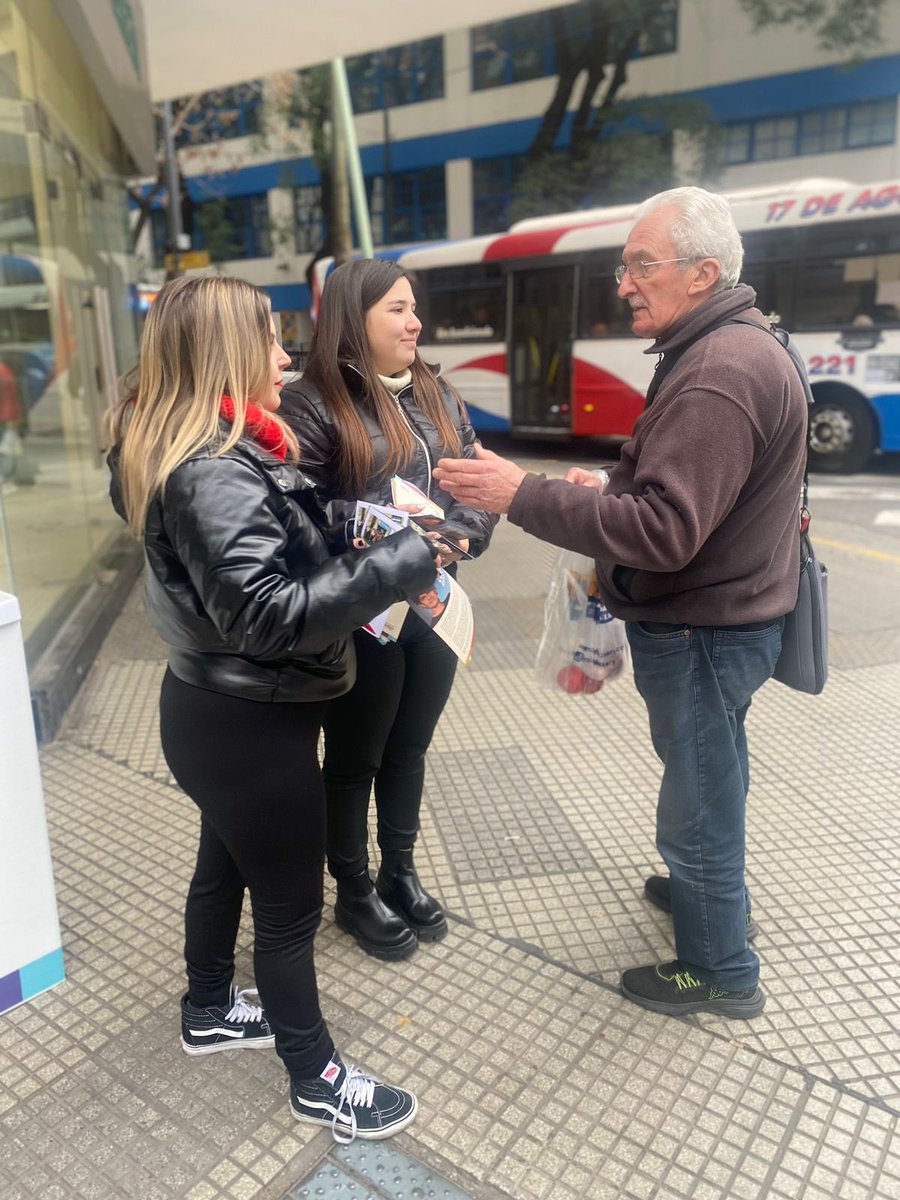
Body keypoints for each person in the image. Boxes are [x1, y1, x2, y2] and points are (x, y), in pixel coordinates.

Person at [433, 186, 808, 1020]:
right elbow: (691, 494)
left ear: (702, 273)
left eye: (643, 264)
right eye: (624, 266)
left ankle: (720, 969)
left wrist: (521, 494)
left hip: (705, 628)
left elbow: (667, 532)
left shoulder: (717, 370)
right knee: (714, 774)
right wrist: (606, 487)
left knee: (698, 800)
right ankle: (710, 899)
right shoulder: (733, 344)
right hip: (733, 617)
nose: (625, 284)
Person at [107, 275, 439, 1140]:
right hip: (249, 726)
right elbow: (265, 616)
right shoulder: (212, 469)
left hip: (224, 715)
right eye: (266, 336)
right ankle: (317, 1077)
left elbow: (263, 553)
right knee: (289, 914)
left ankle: (209, 1008)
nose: (283, 353)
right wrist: (397, 564)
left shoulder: (220, 450)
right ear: (224, 352)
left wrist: (350, 531)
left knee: (223, 868)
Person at [281, 259, 496, 962]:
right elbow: (297, 512)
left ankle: (398, 871)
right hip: (362, 611)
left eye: (413, 308)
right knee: (354, 758)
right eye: (397, 310)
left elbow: (475, 479)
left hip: (432, 601)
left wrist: (460, 537)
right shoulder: (311, 403)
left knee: (409, 748)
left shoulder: (436, 390)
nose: (415, 323)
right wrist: (367, 525)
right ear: (355, 317)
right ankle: (353, 888)